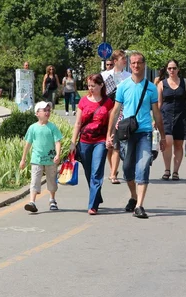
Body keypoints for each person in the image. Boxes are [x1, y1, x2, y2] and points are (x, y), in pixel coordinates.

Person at [107, 51, 166, 219]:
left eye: (139, 62)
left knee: (143, 166)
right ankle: (133, 196)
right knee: (126, 170)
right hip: (127, 133)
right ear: (129, 65)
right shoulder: (124, 86)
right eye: (133, 63)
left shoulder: (151, 88)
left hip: (144, 133)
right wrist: (109, 134)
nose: (136, 65)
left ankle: (139, 205)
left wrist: (162, 136)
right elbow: (115, 110)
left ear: (144, 64)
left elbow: (157, 113)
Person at [70, 74, 114, 215]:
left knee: (96, 172)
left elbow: (111, 124)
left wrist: (109, 138)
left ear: (101, 85)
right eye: (89, 86)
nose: (91, 88)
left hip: (100, 141)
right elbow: (77, 123)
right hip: (84, 142)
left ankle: (92, 205)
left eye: (93, 86)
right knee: (89, 172)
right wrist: (72, 142)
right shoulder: (83, 101)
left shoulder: (108, 103)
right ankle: (97, 196)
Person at [158, 59, 186, 181]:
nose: (172, 70)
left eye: (174, 68)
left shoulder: (185, 83)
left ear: (178, 69)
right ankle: (167, 169)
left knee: (179, 145)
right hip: (166, 116)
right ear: (166, 70)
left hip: (181, 116)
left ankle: (175, 171)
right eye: (169, 68)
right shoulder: (161, 84)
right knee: (167, 142)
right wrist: (156, 118)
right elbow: (159, 104)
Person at [20, 101, 63, 213]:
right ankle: (32, 202)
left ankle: (52, 200)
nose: (47, 112)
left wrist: (58, 155)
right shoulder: (32, 128)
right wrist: (23, 159)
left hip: (51, 159)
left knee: (52, 180)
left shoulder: (52, 127)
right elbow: (28, 144)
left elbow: (57, 142)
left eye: (49, 110)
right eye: (44, 110)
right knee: (35, 180)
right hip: (36, 159)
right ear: (37, 113)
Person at [101, 50, 131, 184]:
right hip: (107, 111)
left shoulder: (129, 76)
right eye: (122, 58)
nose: (125, 60)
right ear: (114, 61)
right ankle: (113, 167)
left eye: (125, 58)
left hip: (123, 112)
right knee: (109, 143)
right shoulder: (105, 76)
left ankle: (113, 174)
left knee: (117, 141)